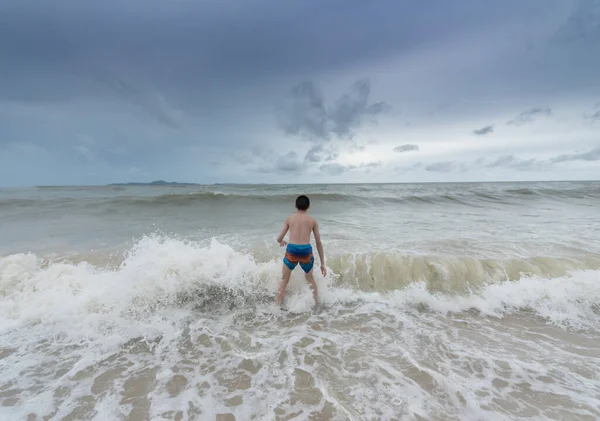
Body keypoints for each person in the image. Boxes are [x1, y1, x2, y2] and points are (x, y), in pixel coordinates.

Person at [275, 195, 326, 306]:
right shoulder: (312, 221)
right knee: (309, 278)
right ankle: (316, 304)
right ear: (308, 206)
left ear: (295, 206)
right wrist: (322, 264)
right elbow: (318, 243)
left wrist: (282, 242)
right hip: (305, 251)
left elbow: (279, 239)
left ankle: (277, 305)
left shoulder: (289, 219)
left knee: (284, 279)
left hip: (292, 249)